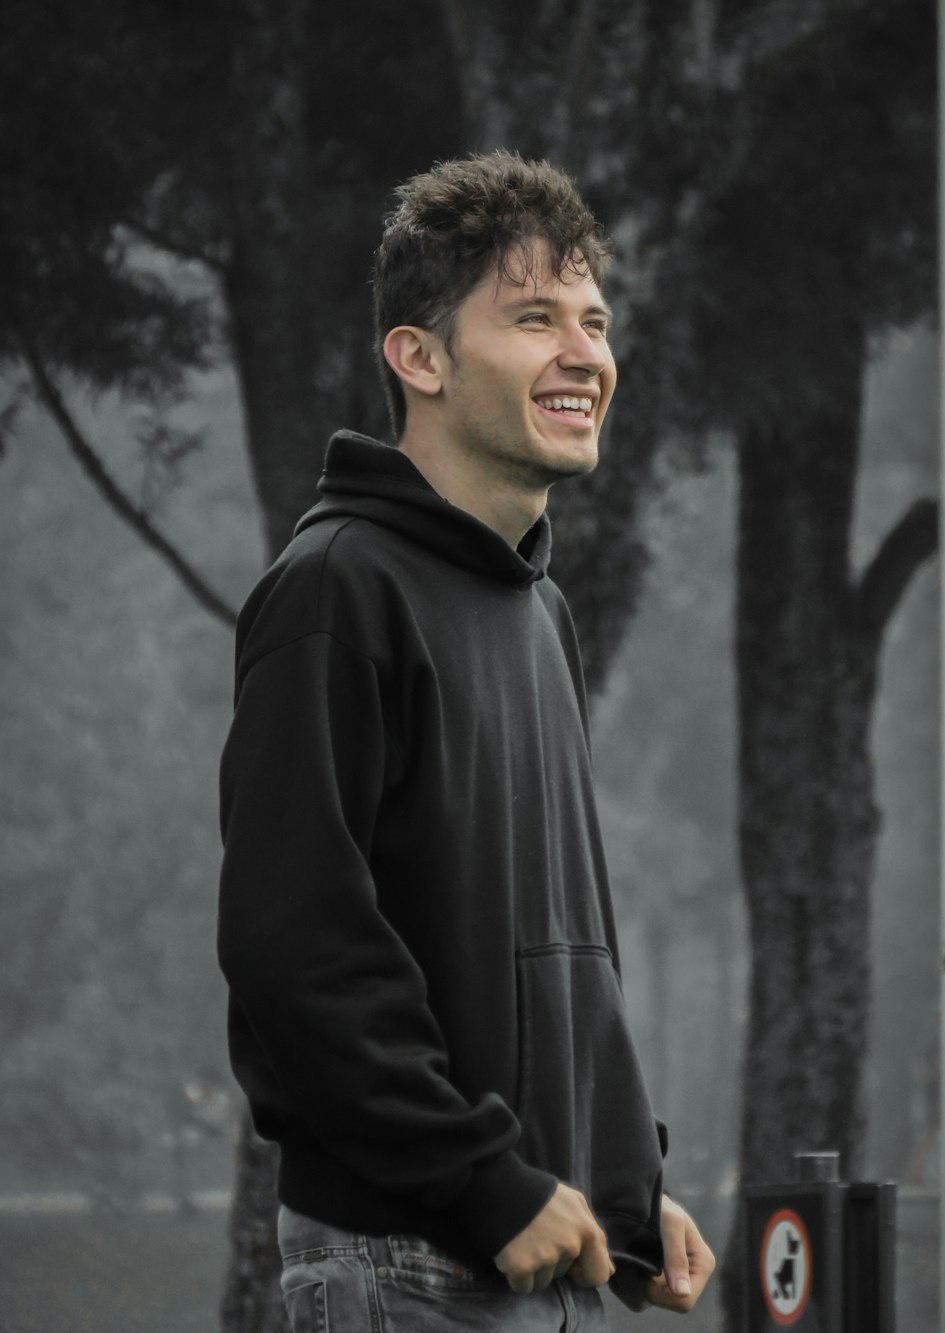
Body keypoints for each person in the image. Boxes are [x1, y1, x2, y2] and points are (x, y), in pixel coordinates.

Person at [217, 150, 715, 1331]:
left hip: (545, 1256)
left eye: (593, 320)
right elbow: (298, 953)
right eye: (532, 317)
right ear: (419, 356)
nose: (584, 353)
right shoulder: (335, 591)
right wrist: (481, 1179)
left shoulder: (539, 612)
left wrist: (626, 1190)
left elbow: (553, 946)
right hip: (406, 1266)